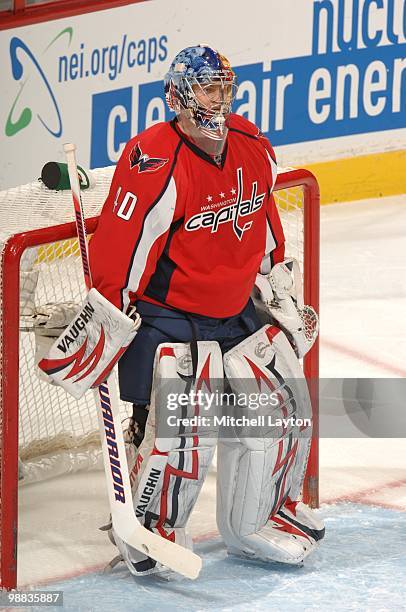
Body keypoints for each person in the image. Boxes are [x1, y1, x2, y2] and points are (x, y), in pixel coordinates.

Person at [89, 45, 324, 576]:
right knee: (183, 428)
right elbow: (121, 246)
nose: (218, 99)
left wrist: (275, 284)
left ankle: (265, 513)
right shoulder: (153, 157)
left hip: (235, 308)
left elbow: (264, 223)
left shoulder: (249, 143)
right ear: (178, 95)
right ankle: (151, 531)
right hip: (171, 313)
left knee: (284, 404)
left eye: (223, 87)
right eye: (206, 88)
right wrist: (108, 311)